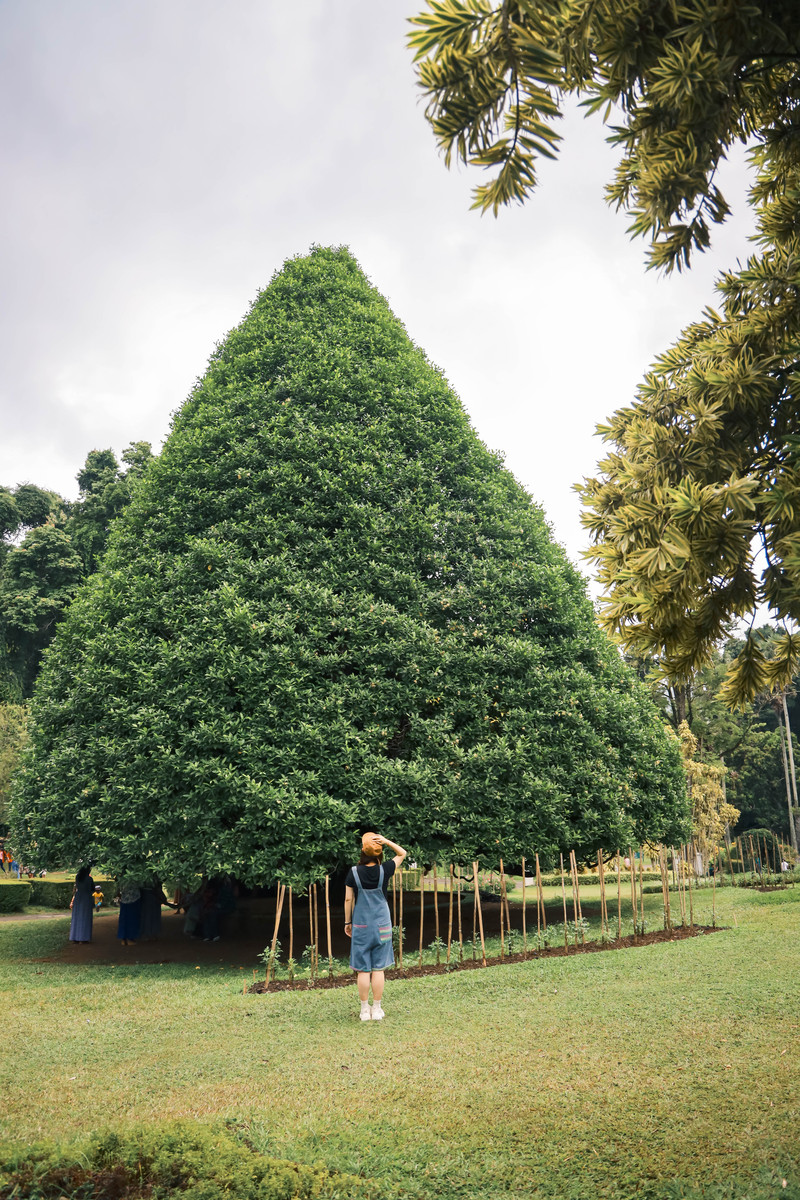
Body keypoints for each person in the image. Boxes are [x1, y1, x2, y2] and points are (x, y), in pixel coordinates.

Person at [344, 831, 407, 1021]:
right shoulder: (385, 869)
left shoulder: (353, 872)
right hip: (382, 924)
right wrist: (387, 841)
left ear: (363, 850)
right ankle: (377, 1009)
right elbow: (402, 853)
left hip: (361, 925)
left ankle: (364, 1011)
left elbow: (349, 898)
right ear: (379, 852)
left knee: (363, 969)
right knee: (378, 968)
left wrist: (348, 922)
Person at [69, 866, 95, 944]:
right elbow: (92, 888)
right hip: (86, 898)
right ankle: (83, 938)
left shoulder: (78, 877)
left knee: (76, 917)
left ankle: (74, 937)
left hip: (78, 897)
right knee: (85, 917)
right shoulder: (89, 879)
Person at [116, 879, 142, 945]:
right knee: (132, 919)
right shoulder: (135, 877)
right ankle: (130, 938)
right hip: (133, 900)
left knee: (124, 919)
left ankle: (123, 939)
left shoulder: (121, 877)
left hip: (124, 900)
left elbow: (118, 890)